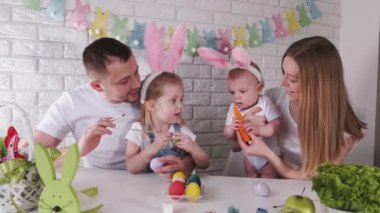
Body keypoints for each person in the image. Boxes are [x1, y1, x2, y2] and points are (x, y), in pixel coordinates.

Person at [34, 38, 194, 177]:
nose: (137, 83)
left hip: (151, 181)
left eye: (136, 72)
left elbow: (188, 147)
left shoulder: (151, 92)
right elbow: (34, 157)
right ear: (97, 85)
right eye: (124, 81)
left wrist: (183, 168)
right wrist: (79, 150)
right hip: (105, 184)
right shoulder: (72, 102)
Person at [235, 36, 366, 179]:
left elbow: (312, 179)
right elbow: (235, 146)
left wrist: (267, 153)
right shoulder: (273, 98)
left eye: (292, 79)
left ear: (318, 85)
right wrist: (244, 130)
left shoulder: (344, 130)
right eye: (283, 73)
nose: (282, 83)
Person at [126, 72, 209, 179]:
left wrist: (194, 148)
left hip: (175, 188)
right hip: (145, 190)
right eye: (173, 100)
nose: (180, 105)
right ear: (152, 105)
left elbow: (205, 164)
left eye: (181, 100)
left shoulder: (181, 130)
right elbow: (131, 167)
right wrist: (152, 148)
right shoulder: (138, 130)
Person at [224, 61, 281, 178]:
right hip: (250, 156)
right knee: (250, 175)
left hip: (269, 156)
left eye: (242, 91)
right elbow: (227, 134)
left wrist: (260, 130)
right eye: (232, 92)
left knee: (268, 176)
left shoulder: (264, 103)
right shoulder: (233, 107)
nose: (236, 96)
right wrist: (231, 128)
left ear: (258, 88)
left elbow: (277, 125)